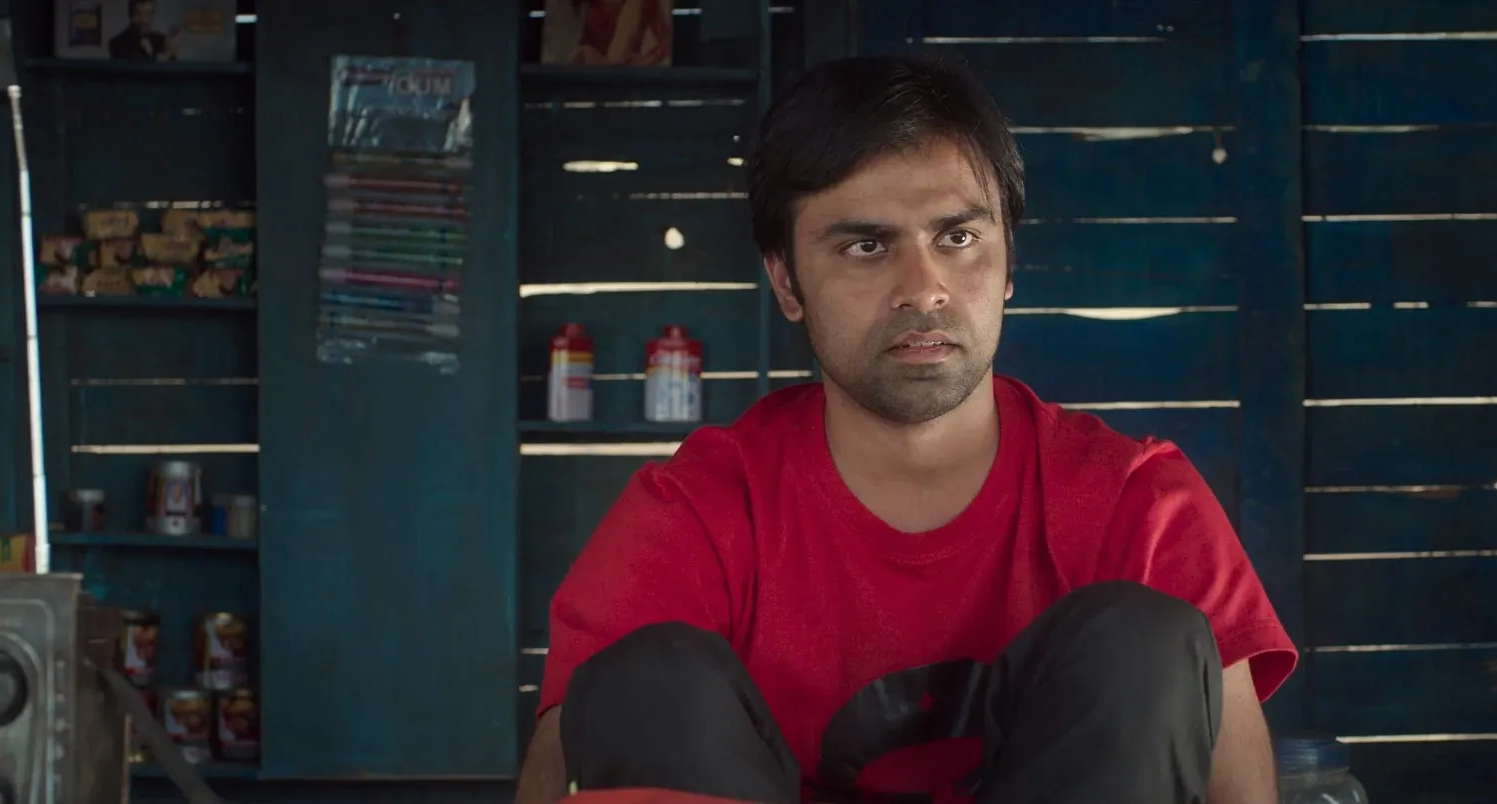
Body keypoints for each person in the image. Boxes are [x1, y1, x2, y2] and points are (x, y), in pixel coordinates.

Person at [516, 54, 1297, 804]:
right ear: (786, 279)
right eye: (866, 245)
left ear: (1009, 259)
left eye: (958, 238)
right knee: (641, 674)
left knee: (1145, 642)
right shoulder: (698, 510)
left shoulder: (1140, 504)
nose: (923, 290)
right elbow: (557, 771)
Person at [107, 0, 174, 62]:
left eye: (148, 14)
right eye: (138, 14)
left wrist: (169, 54)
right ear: (130, 14)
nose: (143, 20)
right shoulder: (117, 44)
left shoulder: (162, 42)